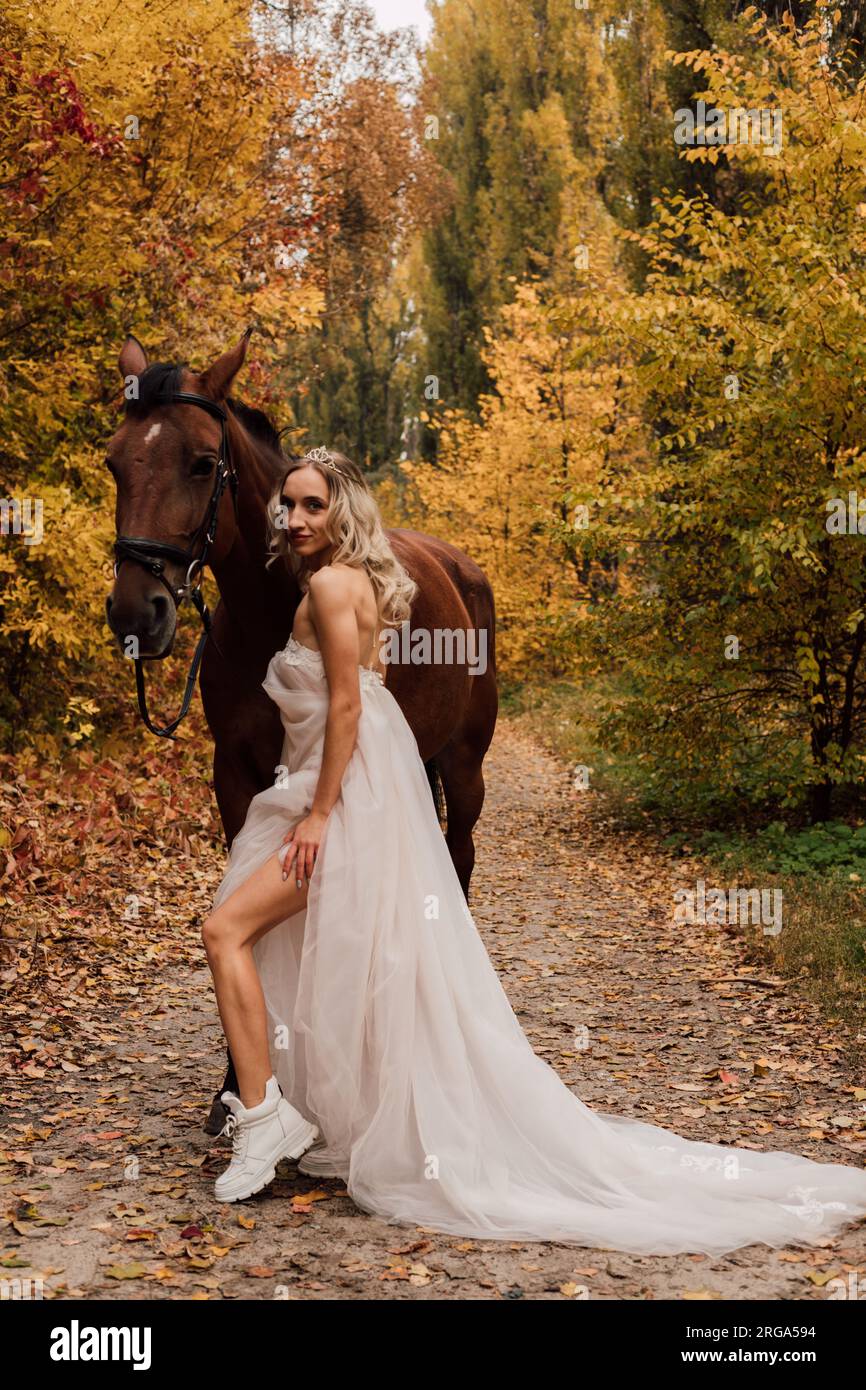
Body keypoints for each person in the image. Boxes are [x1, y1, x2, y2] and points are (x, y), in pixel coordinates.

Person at [201, 446, 866, 1255]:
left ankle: (267, 1118)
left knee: (226, 930)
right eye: (288, 506)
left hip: (342, 793)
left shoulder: (336, 586)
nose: (296, 520)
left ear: (343, 513)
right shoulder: (347, 581)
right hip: (344, 783)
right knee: (279, 936)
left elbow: (346, 705)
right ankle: (291, 1107)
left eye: (313, 506)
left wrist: (319, 814)